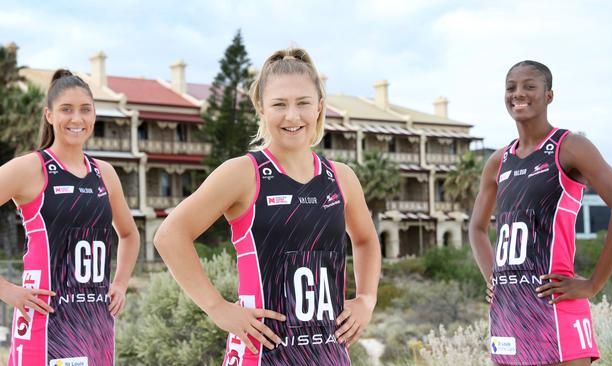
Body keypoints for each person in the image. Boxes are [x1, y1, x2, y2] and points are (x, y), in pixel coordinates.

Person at [154, 47, 381, 365]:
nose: (292, 116)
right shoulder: (244, 173)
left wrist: (366, 299)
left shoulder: (341, 178)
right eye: (279, 104)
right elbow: (170, 235)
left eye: (303, 103)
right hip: (260, 354)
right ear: (260, 108)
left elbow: (366, 240)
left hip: (329, 354)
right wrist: (218, 308)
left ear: (319, 106)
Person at [469, 60, 612, 365]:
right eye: (511, 87)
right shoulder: (498, 161)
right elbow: (477, 228)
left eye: (529, 86)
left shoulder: (570, 147)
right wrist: (493, 279)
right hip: (509, 311)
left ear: (549, 95)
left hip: (556, 304)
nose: (518, 93)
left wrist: (593, 284)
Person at [0, 69, 140, 365]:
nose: (76, 119)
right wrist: (6, 290)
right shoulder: (30, 169)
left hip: (97, 328)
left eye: (85, 110)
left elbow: (129, 234)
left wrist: (121, 283)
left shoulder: (105, 173)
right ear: (49, 115)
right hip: (46, 327)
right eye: (66, 109)